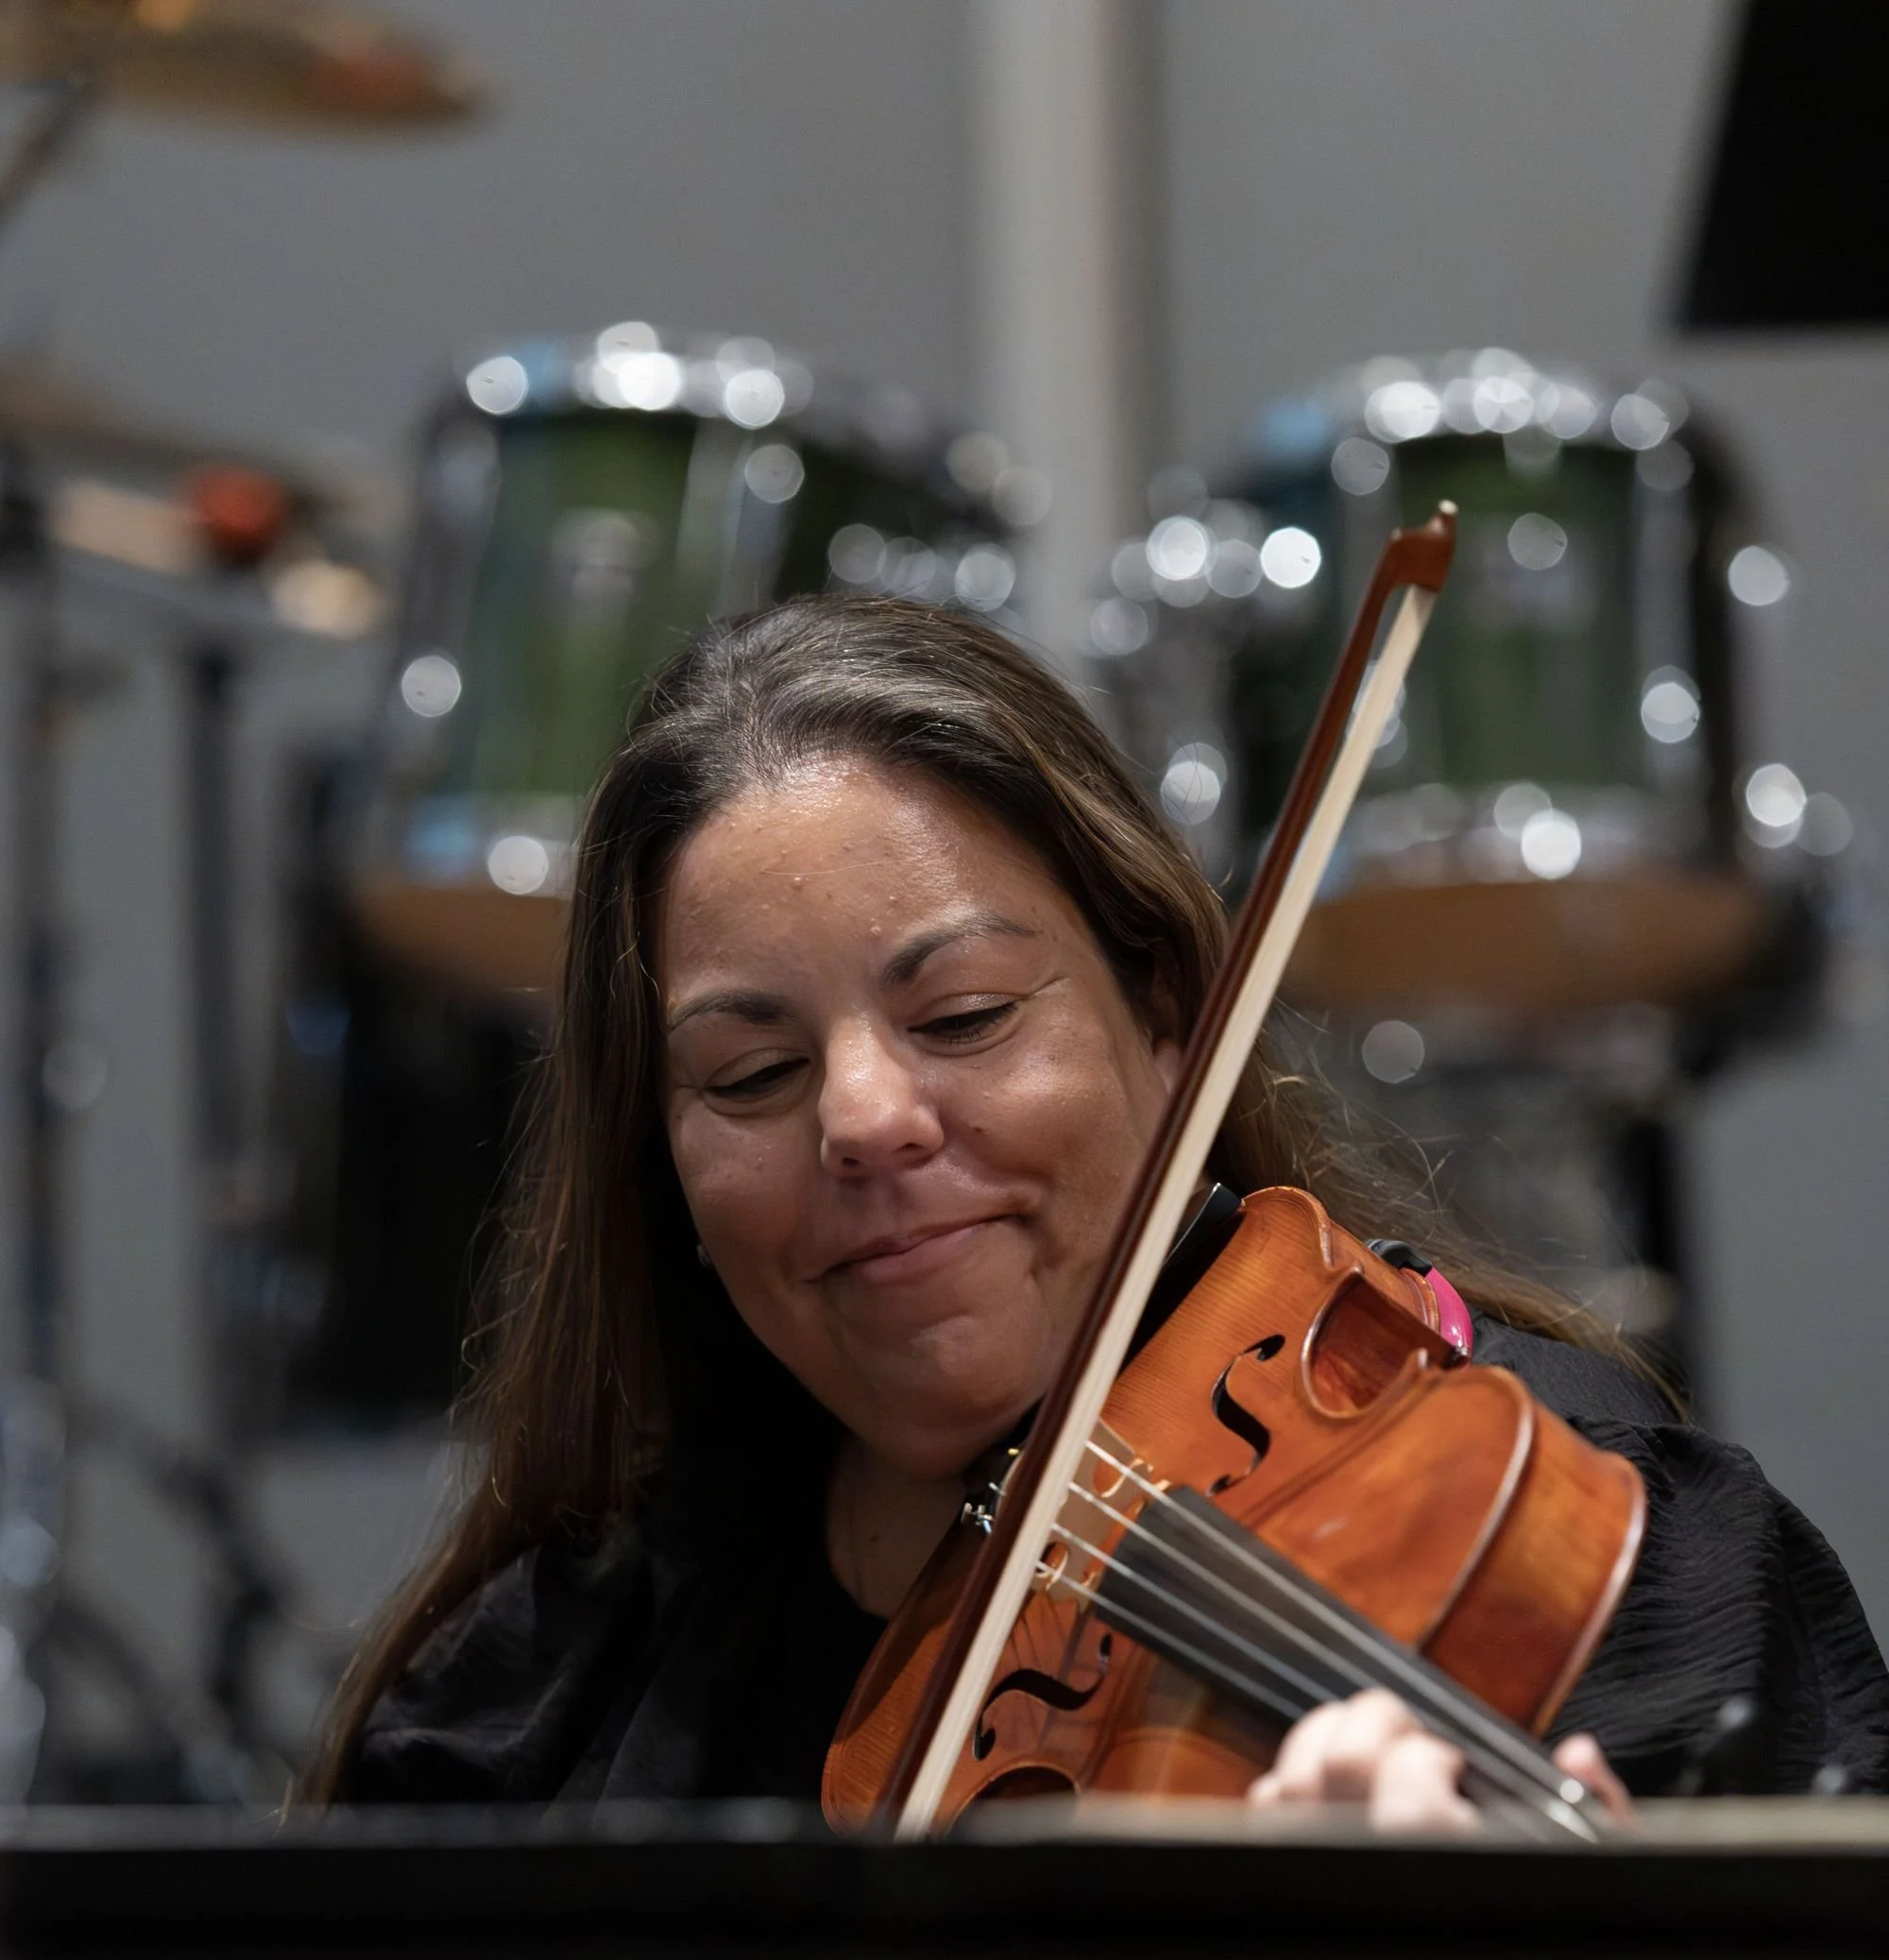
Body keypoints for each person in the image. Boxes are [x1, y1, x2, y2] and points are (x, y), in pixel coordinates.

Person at [311, 596, 1889, 1825]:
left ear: (1164, 1009)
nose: (864, 1120)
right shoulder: (552, 1693)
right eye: (750, 1073)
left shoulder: (1575, 1531)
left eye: (969, 1016)